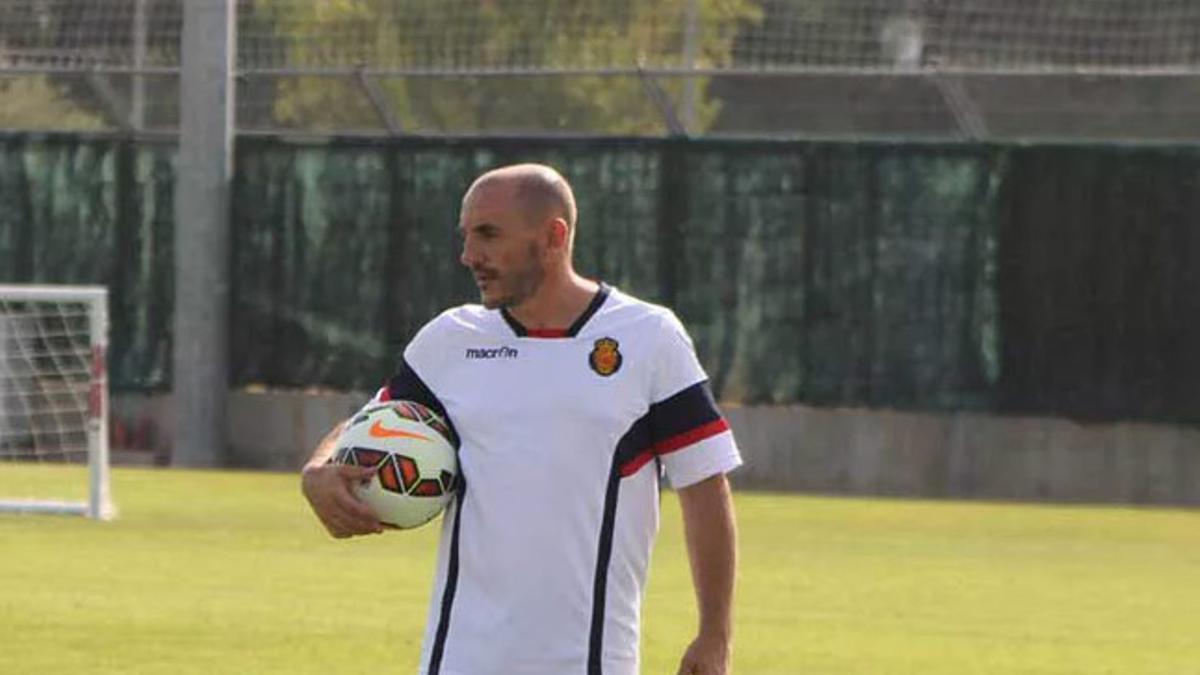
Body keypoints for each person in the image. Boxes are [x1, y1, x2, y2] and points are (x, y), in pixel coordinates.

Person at [301, 163, 741, 675]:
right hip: (456, 661)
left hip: (590, 663)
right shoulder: (451, 340)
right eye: (465, 237)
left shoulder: (648, 338)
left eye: (488, 234)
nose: (469, 256)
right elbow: (373, 420)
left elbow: (705, 484)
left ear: (554, 236)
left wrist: (715, 635)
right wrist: (320, 468)